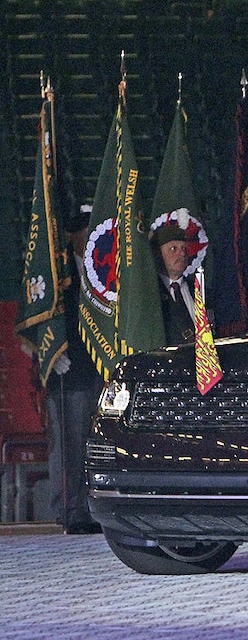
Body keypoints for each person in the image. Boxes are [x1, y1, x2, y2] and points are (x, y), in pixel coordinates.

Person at [46, 206, 104, 534]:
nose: (87, 237)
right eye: (83, 232)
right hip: (69, 370)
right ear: (72, 237)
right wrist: (53, 354)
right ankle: (68, 510)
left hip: (98, 368)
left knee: (92, 443)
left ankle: (90, 508)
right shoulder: (59, 272)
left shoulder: (102, 271)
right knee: (68, 443)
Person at [152, 222, 198, 345]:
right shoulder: (152, 293)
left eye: (184, 248)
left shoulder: (199, 289)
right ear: (157, 254)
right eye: (173, 249)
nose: (182, 254)